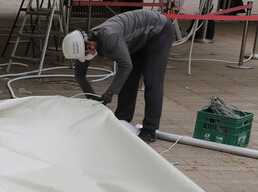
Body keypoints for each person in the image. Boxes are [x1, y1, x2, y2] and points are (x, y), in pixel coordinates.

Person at [62, 9, 176, 144]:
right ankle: (123, 119)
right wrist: (92, 97)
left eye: (85, 55)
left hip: (158, 31)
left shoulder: (110, 37)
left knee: (152, 80)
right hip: (138, 37)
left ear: (91, 44)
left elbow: (126, 66)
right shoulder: (85, 43)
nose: (86, 58)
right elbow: (79, 74)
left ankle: (150, 130)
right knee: (128, 79)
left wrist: (109, 93)